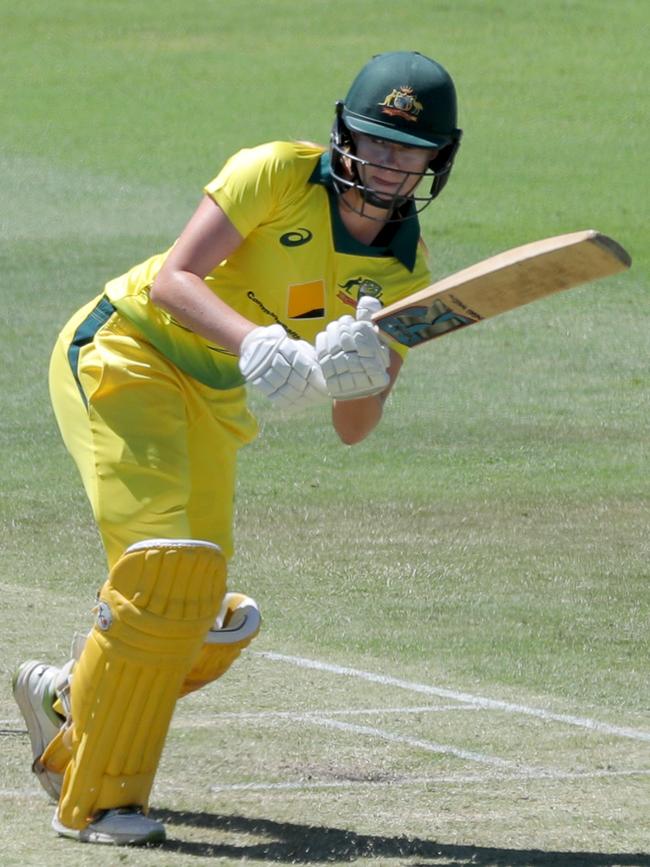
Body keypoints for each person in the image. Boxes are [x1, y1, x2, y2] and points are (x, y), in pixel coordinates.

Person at [12, 50, 462, 845]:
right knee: (164, 574)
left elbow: (353, 430)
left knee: (212, 616)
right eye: (373, 141)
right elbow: (177, 279)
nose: (387, 163)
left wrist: (359, 376)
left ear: (436, 159)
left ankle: (71, 701)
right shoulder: (275, 173)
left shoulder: (401, 271)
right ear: (342, 134)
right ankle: (98, 801)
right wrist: (259, 341)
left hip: (212, 395)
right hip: (124, 351)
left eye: (408, 149)